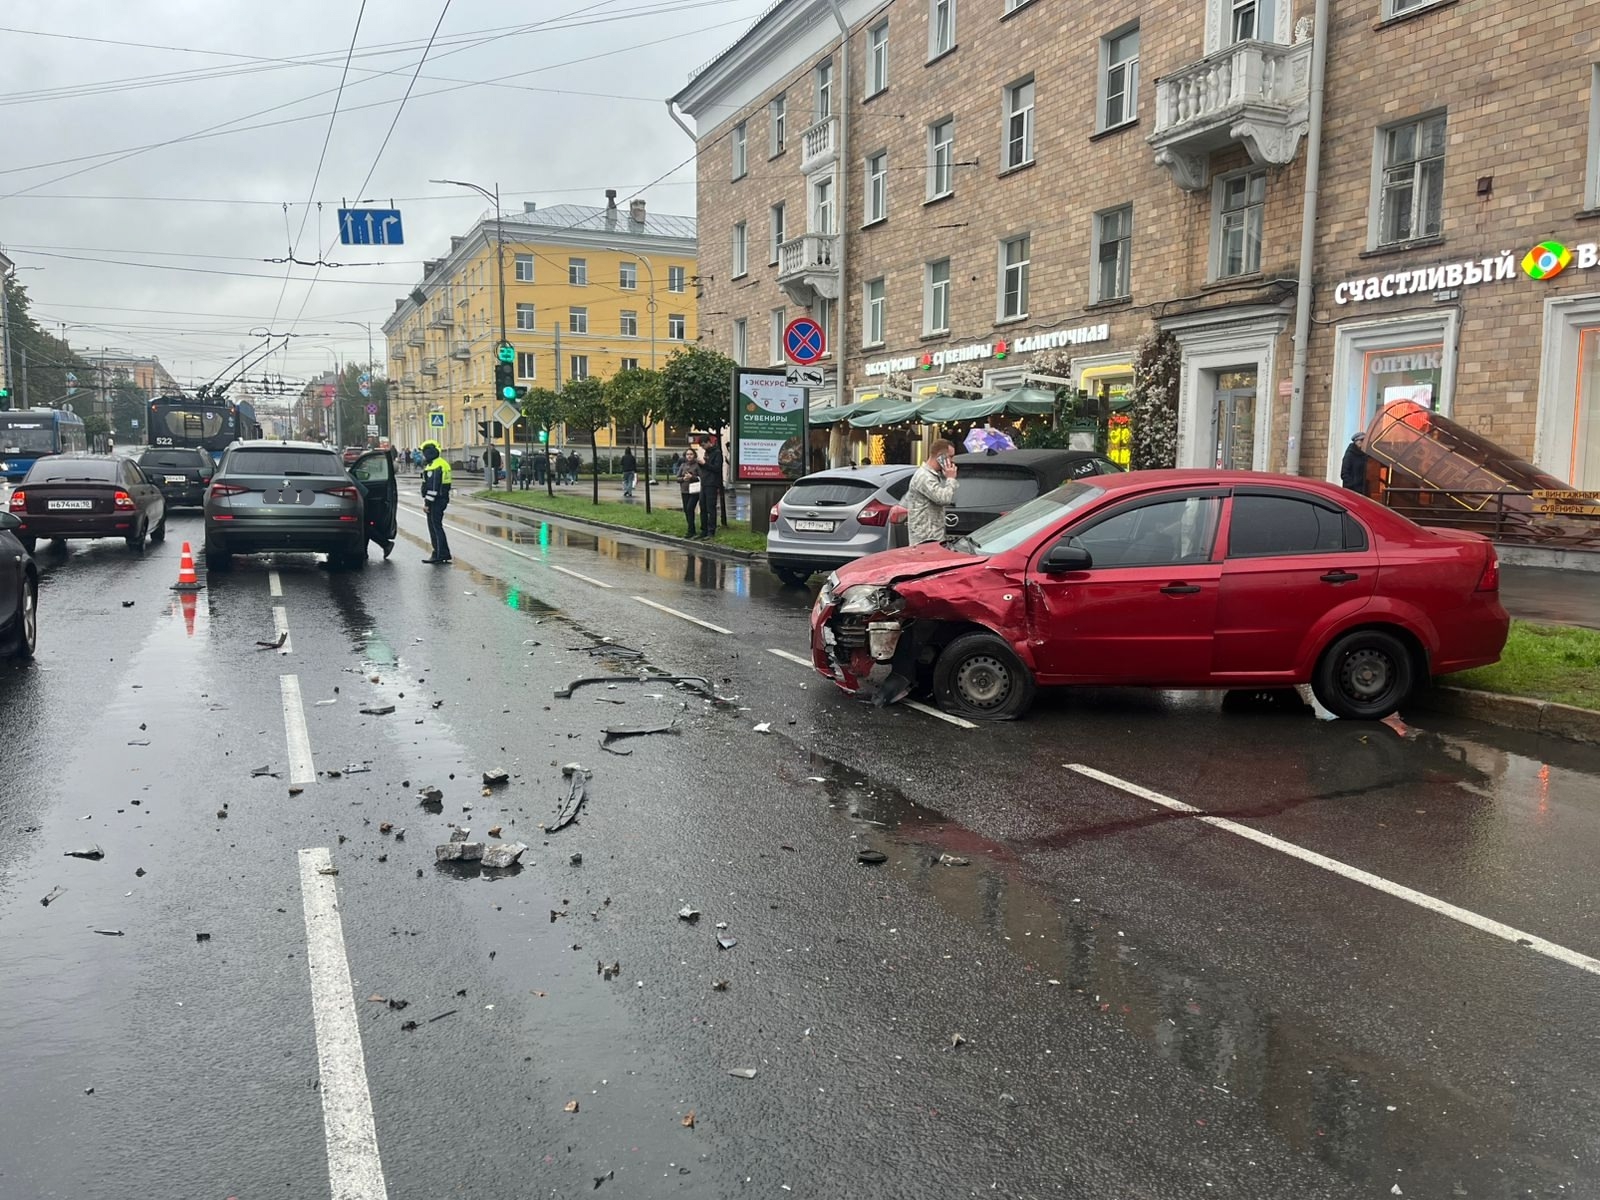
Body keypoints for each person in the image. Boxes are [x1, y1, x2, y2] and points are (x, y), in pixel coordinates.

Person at [906, 439, 959, 545]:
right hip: (925, 539)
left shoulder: (934, 475)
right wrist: (950, 479)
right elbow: (943, 499)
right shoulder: (924, 476)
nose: (952, 461)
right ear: (940, 456)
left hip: (933, 537)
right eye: (950, 456)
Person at [419, 440, 453, 564]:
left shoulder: (434, 466)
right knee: (436, 526)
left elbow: (432, 488)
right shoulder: (442, 463)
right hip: (441, 499)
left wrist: (427, 504)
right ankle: (442, 553)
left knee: (435, 527)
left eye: (424, 453)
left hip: (436, 501)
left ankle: (439, 553)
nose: (423, 455)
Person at [698, 436, 723, 538]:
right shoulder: (706, 452)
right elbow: (705, 467)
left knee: (711, 508)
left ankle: (711, 531)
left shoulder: (717, 453)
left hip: (712, 483)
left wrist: (705, 464)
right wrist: (701, 464)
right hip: (704, 482)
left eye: (703, 445)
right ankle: (703, 530)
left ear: (709, 442)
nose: (703, 447)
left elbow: (717, 468)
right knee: (702, 507)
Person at [677, 445, 702, 537]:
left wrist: (692, 477)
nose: (689, 456)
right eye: (687, 454)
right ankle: (691, 529)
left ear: (694, 455)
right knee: (686, 510)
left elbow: (701, 477)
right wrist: (683, 478)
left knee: (690, 508)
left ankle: (691, 530)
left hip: (694, 491)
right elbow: (677, 478)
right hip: (684, 490)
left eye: (691, 454)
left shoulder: (697, 465)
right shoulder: (683, 465)